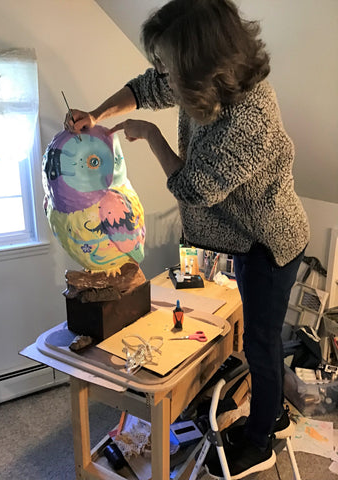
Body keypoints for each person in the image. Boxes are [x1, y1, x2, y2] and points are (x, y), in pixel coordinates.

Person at [65, 0, 310, 477]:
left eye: (170, 67)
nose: (164, 74)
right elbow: (146, 86)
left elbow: (194, 188)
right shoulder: (206, 81)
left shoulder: (249, 117)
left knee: (260, 343)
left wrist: (150, 136)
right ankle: (272, 412)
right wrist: (94, 114)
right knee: (258, 340)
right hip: (244, 238)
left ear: (201, 67)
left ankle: (261, 440)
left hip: (271, 243)